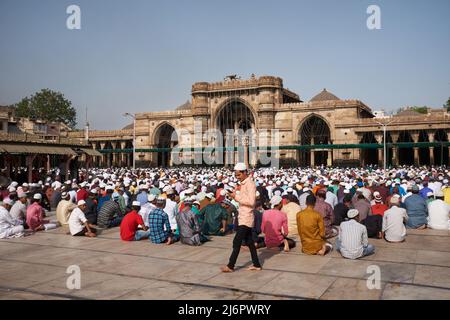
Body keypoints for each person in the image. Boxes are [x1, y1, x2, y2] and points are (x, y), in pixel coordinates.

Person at [222, 163, 262, 273]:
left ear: (245, 172)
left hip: (247, 217)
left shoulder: (250, 184)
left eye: (239, 175)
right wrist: (235, 194)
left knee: (237, 241)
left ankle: (230, 265)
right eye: (236, 175)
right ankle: (257, 264)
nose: (237, 177)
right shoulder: (244, 183)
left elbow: (251, 202)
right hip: (243, 216)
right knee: (249, 242)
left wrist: (236, 196)